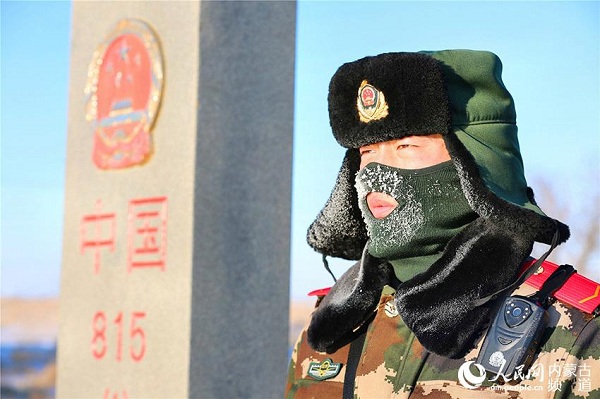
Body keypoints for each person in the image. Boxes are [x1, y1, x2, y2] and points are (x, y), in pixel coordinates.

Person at [286, 50, 600, 398]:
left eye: (405, 146)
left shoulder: (576, 335)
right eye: (367, 152)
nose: (375, 172)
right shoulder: (328, 328)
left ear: (473, 164)